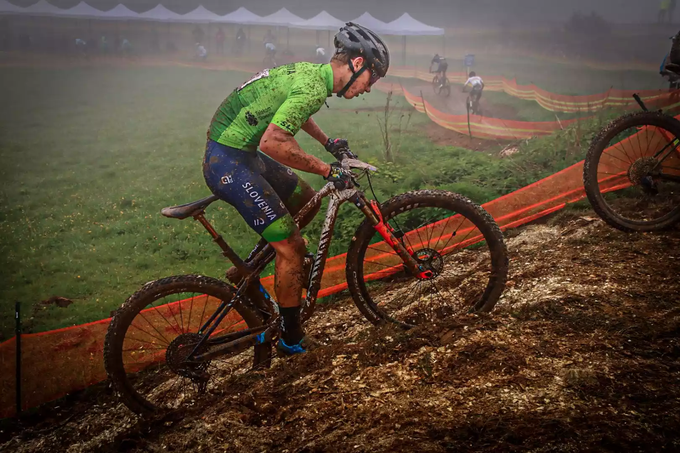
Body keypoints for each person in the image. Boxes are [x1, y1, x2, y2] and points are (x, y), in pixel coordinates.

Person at [203, 23, 389, 355]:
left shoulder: (312, 76)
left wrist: (328, 143)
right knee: (291, 246)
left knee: (306, 200)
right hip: (228, 163)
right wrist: (327, 169)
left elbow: (295, 111)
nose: (369, 88)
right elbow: (274, 142)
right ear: (357, 64)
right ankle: (291, 339)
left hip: (239, 155)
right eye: (372, 78)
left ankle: (250, 272)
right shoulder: (313, 87)